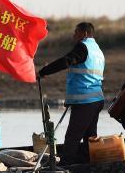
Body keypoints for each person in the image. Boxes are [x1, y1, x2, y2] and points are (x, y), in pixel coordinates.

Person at [37, 21, 105, 164]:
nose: (74, 35)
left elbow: (66, 61)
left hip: (85, 101)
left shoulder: (83, 47)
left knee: (72, 137)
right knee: (90, 136)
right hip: (96, 99)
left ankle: (66, 167)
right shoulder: (97, 50)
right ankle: (89, 164)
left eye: (76, 32)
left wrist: (44, 71)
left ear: (84, 34)